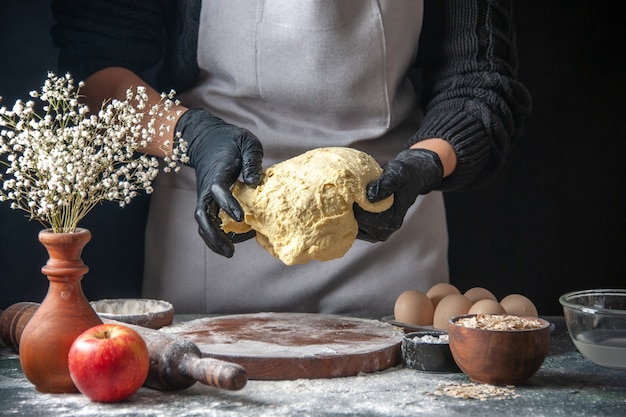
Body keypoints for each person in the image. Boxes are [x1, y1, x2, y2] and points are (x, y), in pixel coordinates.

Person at [49, 0, 531, 317]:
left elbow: (480, 77)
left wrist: (425, 163)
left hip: (388, 234)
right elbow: (96, 70)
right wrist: (192, 134)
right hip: (219, 231)